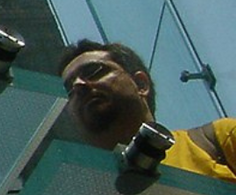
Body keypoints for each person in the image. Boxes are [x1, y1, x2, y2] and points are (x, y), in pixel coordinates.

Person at [57, 40, 236, 183]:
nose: (78, 85)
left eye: (93, 71)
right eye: (69, 90)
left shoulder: (218, 139)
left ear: (141, 84)